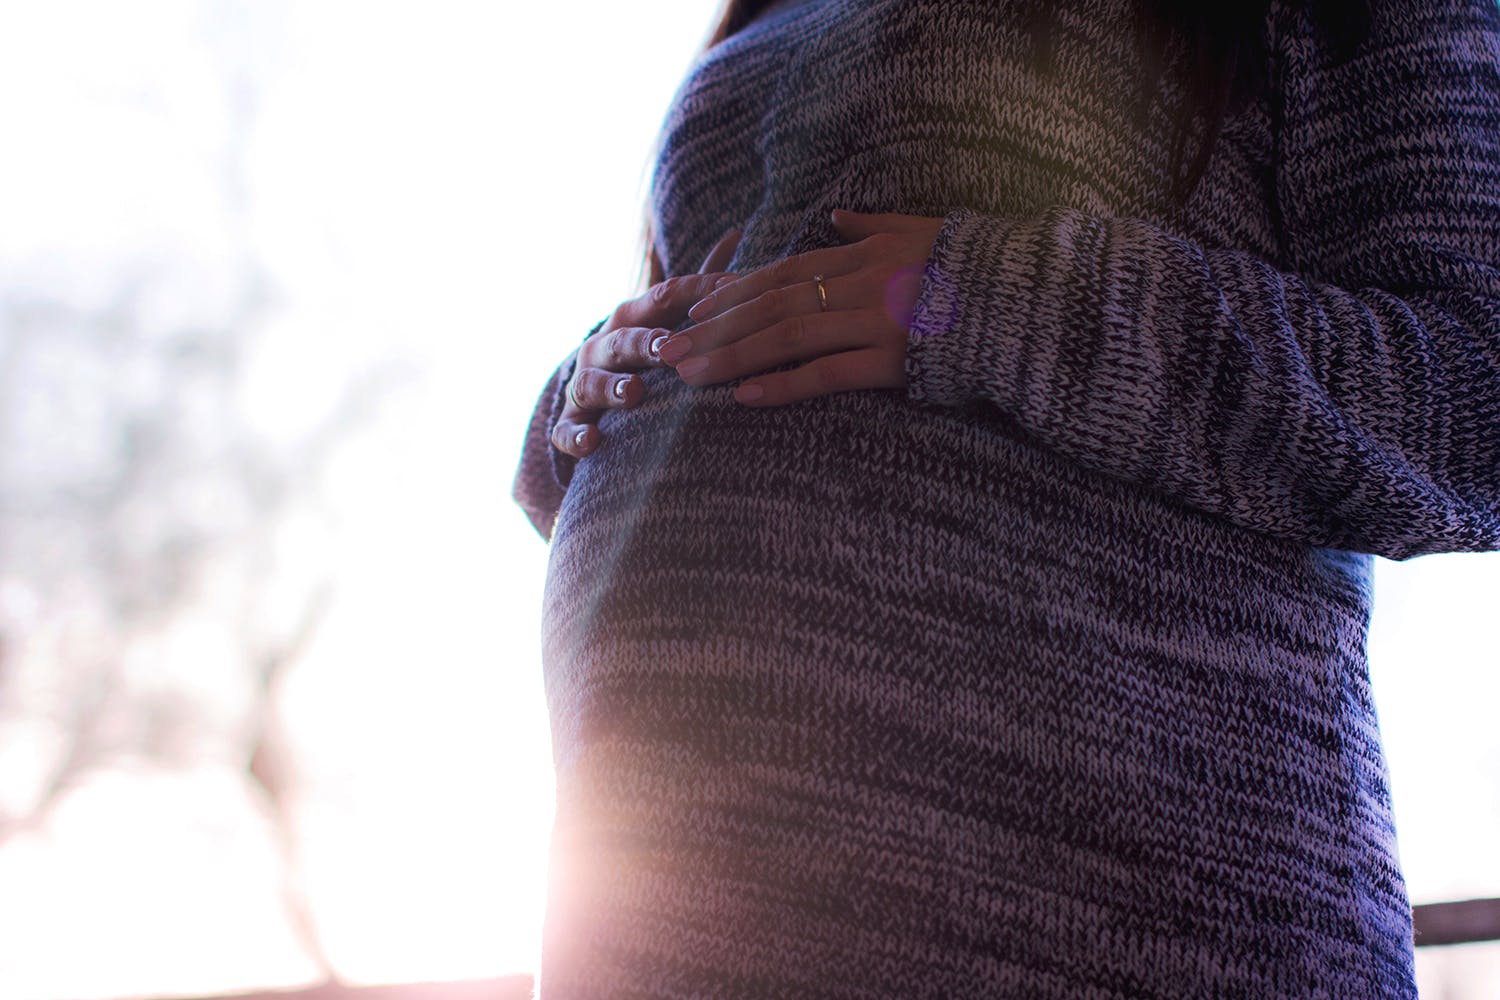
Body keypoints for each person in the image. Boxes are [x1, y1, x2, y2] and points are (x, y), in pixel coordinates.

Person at [513, 0, 1500, 995]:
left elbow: (1472, 397)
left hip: (1111, 896)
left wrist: (977, 299)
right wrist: (589, 396)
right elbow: (762, 287)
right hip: (668, 875)